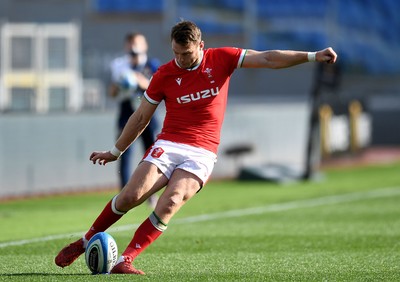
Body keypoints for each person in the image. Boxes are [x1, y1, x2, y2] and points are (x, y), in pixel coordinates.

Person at [55, 20, 337, 275]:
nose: (180, 59)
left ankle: (125, 260)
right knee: (132, 195)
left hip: (202, 151)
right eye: (176, 53)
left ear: (201, 46)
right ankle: (84, 241)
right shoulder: (164, 74)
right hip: (169, 142)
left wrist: (311, 56)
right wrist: (115, 152)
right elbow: (141, 117)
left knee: (172, 201)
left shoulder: (222, 58)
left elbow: (268, 58)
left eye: (186, 54)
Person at [109, 32, 160, 207]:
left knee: (151, 155)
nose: (134, 48)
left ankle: (150, 192)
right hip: (127, 113)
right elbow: (112, 93)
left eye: (137, 43)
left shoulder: (152, 64)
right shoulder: (119, 65)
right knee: (123, 152)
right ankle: (124, 195)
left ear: (144, 46)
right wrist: (121, 84)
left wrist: (139, 81)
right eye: (131, 44)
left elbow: (157, 88)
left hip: (148, 113)